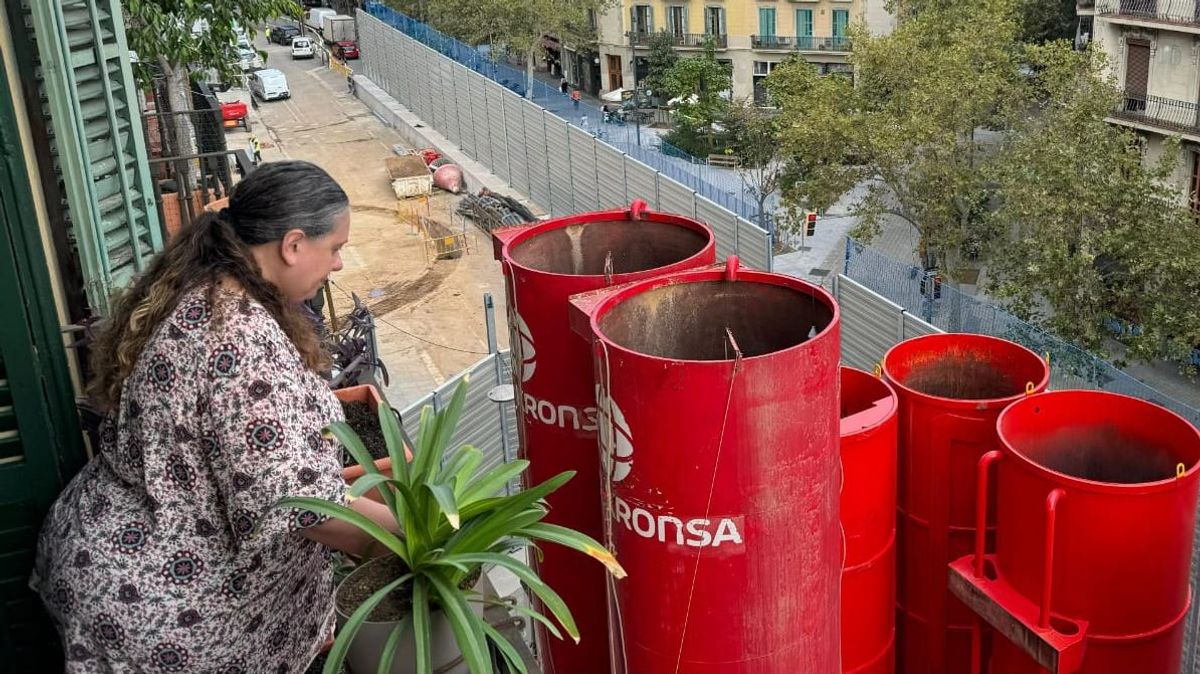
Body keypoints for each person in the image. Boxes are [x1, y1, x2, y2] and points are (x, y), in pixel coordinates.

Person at [30, 161, 400, 672]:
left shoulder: (207, 287)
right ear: (293, 245)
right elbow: (296, 504)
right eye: (333, 248)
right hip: (170, 616)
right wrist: (412, 540)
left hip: (111, 556)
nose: (338, 264)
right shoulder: (240, 340)